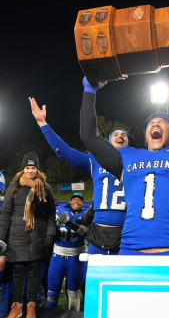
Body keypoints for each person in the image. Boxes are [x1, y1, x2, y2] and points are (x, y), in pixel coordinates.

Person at [80, 35, 169, 256]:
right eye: (151, 123)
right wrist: (89, 91)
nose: (155, 124)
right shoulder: (128, 156)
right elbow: (88, 137)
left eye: (162, 122)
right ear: (146, 136)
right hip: (129, 254)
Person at [30, 97, 129, 255]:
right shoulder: (95, 159)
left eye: (124, 135)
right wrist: (43, 124)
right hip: (99, 232)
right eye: (115, 134)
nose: (120, 136)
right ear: (108, 143)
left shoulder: (136, 161)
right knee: (94, 278)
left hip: (127, 232)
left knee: (123, 279)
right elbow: (64, 152)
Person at [0, 153, 56, 318]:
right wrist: (1, 241)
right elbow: (5, 214)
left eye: (33, 167)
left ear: (37, 169)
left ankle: (31, 305)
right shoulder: (14, 187)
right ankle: (17, 306)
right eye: (27, 168)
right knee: (17, 272)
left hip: (37, 236)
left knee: (33, 273)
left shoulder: (44, 187)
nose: (30, 170)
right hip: (16, 237)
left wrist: (50, 233)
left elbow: (51, 214)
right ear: (23, 169)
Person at [46, 193, 86, 310]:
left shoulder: (86, 214)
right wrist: (57, 223)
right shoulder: (62, 209)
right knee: (52, 290)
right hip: (58, 254)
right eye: (74, 199)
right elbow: (51, 227)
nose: (77, 202)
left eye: (79, 200)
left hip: (76, 256)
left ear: (82, 203)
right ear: (70, 201)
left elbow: (86, 232)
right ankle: (50, 315)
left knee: (73, 291)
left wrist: (70, 223)